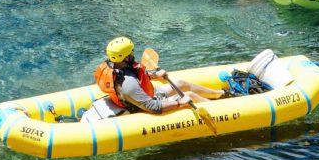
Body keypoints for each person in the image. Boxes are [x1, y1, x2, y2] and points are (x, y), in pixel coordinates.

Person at [91, 36, 224, 117]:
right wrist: (179, 103)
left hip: (143, 94)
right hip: (141, 104)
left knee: (181, 83)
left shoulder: (116, 66)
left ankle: (221, 94)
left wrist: (154, 75)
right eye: (131, 52)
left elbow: (137, 74)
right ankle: (221, 111)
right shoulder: (128, 84)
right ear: (126, 57)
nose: (133, 53)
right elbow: (154, 107)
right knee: (189, 95)